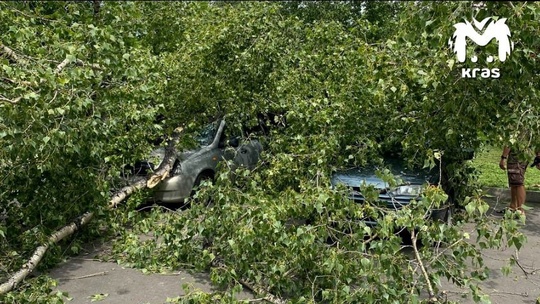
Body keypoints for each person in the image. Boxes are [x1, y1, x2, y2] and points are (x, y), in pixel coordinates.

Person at [499, 147, 540, 215]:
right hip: (523, 153)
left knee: (518, 182)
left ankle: (520, 210)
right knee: (514, 181)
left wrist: (503, 157)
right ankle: (513, 207)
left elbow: (509, 141)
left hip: (517, 155)